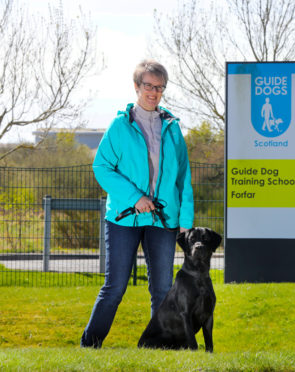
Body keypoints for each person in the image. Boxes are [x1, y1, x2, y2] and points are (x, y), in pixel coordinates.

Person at [81, 60, 194, 348]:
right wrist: (136, 198)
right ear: (136, 87)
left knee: (163, 290)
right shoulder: (120, 126)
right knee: (115, 287)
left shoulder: (172, 128)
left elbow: (183, 176)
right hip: (124, 219)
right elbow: (102, 167)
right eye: (148, 86)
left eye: (159, 87)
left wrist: (185, 219)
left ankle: (161, 347)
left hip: (163, 220)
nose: (154, 92)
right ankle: (89, 346)